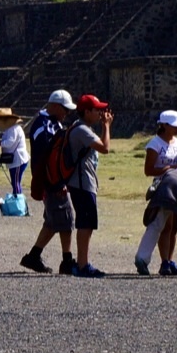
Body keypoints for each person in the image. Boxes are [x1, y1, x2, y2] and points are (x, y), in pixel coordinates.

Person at [20, 90, 77, 274]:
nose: (66, 113)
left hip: (52, 180)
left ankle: (33, 256)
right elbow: (46, 157)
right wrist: (56, 182)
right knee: (66, 218)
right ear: (54, 106)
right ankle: (66, 261)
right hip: (51, 181)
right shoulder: (42, 126)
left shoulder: (53, 123)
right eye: (64, 109)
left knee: (53, 221)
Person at [66, 94, 113, 278]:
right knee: (85, 224)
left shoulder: (82, 128)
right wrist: (107, 127)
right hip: (81, 183)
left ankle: (82, 262)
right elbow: (105, 148)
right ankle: (82, 264)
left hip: (84, 182)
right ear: (87, 112)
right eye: (97, 109)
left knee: (87, 224)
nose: (100, 112)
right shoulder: (81, 130)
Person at [143, 110, 177, 264]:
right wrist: (169, 168)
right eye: (174, 126)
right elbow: (148, 170)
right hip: (163, 187)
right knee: (166, 226)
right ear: (164, 125)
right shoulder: (154, 144)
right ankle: (164, 261)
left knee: (174, 225)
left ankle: (169, 259)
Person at [0, 107, 27, 199]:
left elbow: (9, 143)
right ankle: (17, 200)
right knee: (15, 182)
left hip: (18, 159)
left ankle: (18, 202)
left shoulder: (14, 129)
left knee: (16, 182)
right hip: (15, 160)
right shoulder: (10, 129)